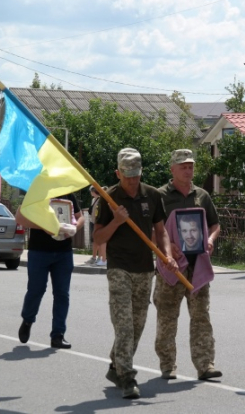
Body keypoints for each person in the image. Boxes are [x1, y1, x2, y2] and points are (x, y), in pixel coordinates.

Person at [94, 148, 173, 400]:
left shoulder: (152, 195)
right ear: (118, 173)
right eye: (127, 175)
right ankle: (127, 377)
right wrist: (116, 221)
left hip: (144, 268)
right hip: (119, 267)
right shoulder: (108, 198)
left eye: (136, 175)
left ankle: (115, 365)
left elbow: (161, 231)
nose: (132, 180)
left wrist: (167, 254)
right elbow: (97, 238)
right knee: (124, 325)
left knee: (137, 325)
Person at [154, 149, 222, 381]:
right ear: (172, 169)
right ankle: (167, 365)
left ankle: (205, 365)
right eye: (182, 166)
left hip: (197, 266)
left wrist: (210, 240)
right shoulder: (160, 196)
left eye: (190, 166)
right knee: (167, 317)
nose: (188, 170)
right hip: (171, 267)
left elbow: (215, 225)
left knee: (201, 316)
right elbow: (151, 229)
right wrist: (166, 246)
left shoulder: (201, 195)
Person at [16, 193, 83, 349]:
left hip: (63, 252)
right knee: (36, 290)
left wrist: (74, 227)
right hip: (39, 251)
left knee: (62, 294)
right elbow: (19, 218)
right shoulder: (37, 191)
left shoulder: (68, 194)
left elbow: (81, 217)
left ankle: (58, 335)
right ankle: (27, 320)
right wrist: (43, 226)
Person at [86, 186, 107, 266]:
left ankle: (101, 258)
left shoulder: (102, 200)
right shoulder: (94, 200)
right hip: (94, 222)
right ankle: (96, 257)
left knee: (100, 241)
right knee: (95, 241)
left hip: (99, 223)